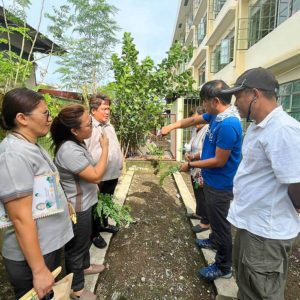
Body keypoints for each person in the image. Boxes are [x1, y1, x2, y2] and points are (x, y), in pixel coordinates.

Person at [220, 67, 300, 299]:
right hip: (253, 225)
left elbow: (297, 182)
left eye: (238, 97)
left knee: (262, 292)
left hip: (267, 233)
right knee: (248, 285)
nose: (235, 104)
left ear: (254, 94)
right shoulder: (259, 126)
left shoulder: (283, 130)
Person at [161, 80, 243, 280]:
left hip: (221, 183)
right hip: (211, 179)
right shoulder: (216, 115)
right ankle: (213, 241)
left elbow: (218, 160)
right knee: (214, 219)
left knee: (222, 225)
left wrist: (190, 165)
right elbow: (192, 121)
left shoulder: (228, 124)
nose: (203, 106)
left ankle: (224, 267)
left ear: (215, 101)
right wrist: (171, 126)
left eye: (204, 102)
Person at [0, 88, 74, 299]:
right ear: (22, 118)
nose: (50, 119)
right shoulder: (13, 155)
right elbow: (20, 218)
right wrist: (39, 269)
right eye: (45, 114)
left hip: (44, 246)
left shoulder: (30, 145)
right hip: (32, 256)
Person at [51, 104, 108, 300]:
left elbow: (87, 175)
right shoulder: (68, 150)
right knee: (76, 247)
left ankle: (85, 267)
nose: (92, 127)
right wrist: (105, 148)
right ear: (74, 130)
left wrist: (94, 187)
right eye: (88, 124)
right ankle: (76, 289)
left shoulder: (76, 142)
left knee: (83, 243)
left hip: (86, 201)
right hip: (78, 206)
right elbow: (96, 176)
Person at [85, 92, 123, 249]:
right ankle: (94, 234)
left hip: (112, 174)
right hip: (97, 177)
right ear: (94, 110)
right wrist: (91, 179)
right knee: (95, 206)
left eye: (109, 108)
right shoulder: (88, 128)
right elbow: (85, 153)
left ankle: (104, 225)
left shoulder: (109, 126)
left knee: (106, 202)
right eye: (104, 108)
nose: (107, 112)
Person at [184, 106, 210, 233]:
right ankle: (199, 213)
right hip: (194, 166)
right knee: (197, 192)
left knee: (203, 194)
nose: (194, 123)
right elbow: (191, 146)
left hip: (202, 166)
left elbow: (207, 152)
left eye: (196, 119)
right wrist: (188, 154)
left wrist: (193, 157)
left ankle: (206, 221)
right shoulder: (196, 130)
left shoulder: (208, 129)